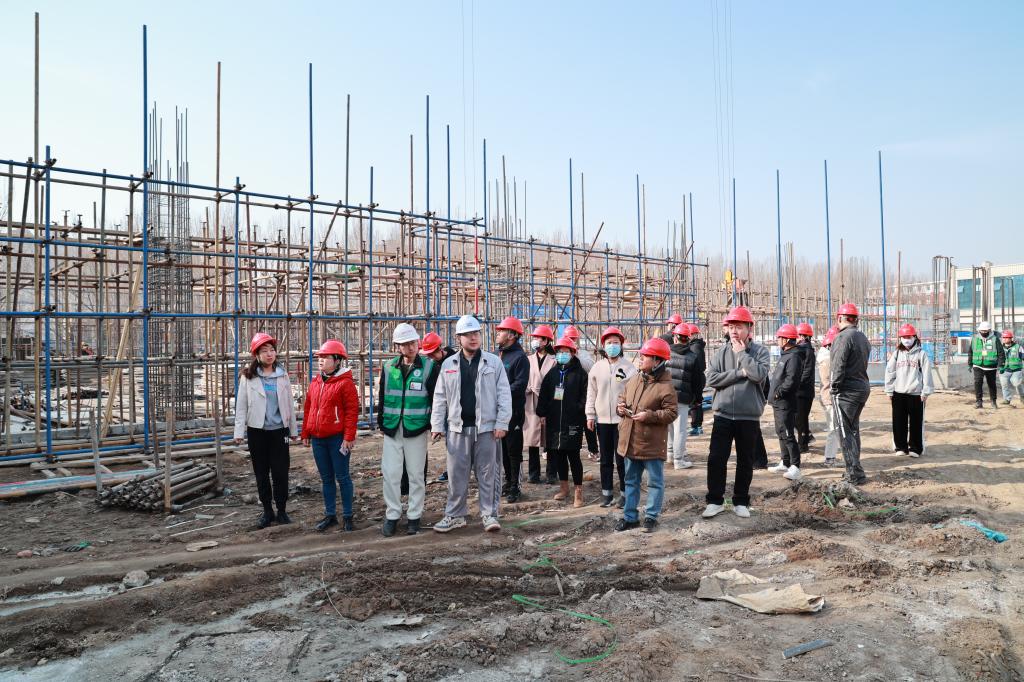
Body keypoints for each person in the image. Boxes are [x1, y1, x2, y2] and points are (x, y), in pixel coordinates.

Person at [431, 314, 512, 533]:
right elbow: (440, 397)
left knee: (488, 473)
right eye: (467, 334)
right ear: (459, 338)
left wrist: (502, 422)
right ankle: (455, 515)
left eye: (476, 333)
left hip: (486, 429)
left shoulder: (493, 362)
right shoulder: (449, 364)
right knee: (456, 475)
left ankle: (489, 514)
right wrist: (437, 425)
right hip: (457, 428)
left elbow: (504, 394)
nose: (473, 338)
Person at [702, 306, 770, 519]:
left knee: (745, 460)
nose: (733, 331)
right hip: (722, 415)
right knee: (716, 459)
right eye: (731, 326)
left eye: (738, 326)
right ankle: (715, 501)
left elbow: (758, 375)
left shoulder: (760, 352)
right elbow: (711, 379)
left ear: (749, 328)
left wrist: (742, 354)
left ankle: (741, 501)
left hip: (748, 416)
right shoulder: (720, 353)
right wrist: (739, 373)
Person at [376, 323, 441, 536]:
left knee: (415, 474)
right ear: (398, 346)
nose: (410, 347)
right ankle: (392, 514)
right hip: (392, 428)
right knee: (391, 474)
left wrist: (434, 425)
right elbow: (383, 396)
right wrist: (382, 422)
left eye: (413, 343)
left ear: (418, 342)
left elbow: (436, 399)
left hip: (417, 428)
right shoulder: (389, 367)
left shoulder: (429, 367)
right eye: (405, 344)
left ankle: (414, 516)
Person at [234, 332, 298, 529]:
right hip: (257, 431)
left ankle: (282, 510)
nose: (269, 354)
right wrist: (239, 432)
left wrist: (293, 430)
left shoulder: (282, 375)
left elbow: (289, 404)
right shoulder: (248, 377)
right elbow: (241, 405)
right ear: (257, 355)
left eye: (272, 350)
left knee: (280, 472)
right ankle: (267, 511)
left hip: (279, 431)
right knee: (261, 473)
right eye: (264, 351)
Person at [613, 337, 678, 533]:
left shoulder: (666, 386)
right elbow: (622, 398)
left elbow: (671, 413)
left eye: (645, 356)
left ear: (657, 361)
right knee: (630, 481)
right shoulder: (634, 380)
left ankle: (651, 517)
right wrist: (620, 408)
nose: (640, 359)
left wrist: (649, 416)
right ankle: (630, 517)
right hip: (631, 441)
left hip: (651, 443)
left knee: (655, 482)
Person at [302, 339, 360, 532]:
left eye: (326, 357)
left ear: (337, 360)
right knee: (326, 479)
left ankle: (348, 516)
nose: (321, 360)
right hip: (318, 439)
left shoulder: (345, 383)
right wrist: (306, 432)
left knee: (342, 477)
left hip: (337, 439)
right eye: (320, 357)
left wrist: (349, 437)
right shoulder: (316, 382)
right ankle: (330, 515)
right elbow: (309, 408)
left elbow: (352, 411)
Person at [586, 326, 637, 508]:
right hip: (602, 421)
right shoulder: (597, 368)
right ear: (604, 345)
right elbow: (591, 393)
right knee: (606, 459)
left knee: (622, 459)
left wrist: (628, 410)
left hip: (621, 421)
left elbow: (634, 393)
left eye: (616, 343)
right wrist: (590, 415)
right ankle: (606, 493)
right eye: (609, 343)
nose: (612, 346)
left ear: (621, 345)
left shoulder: (629, 368)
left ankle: (624, 494)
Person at [536, 336, 590, 507]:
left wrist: (577, 409)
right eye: (559, 352)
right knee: (559, 455)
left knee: (573, 456)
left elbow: (586, 396)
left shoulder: (580, 374)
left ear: (573, 353)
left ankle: (578, 490)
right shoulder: (552, 374)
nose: (562, 355)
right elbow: (544, 394)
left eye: (566, 352)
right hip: (554, 421)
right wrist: (542, 412)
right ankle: (564, 487)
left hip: (572, 421)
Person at [829, 303, 872, 485]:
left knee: (844, 431)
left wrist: (834, 387)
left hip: (846, 391)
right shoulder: (862, 337)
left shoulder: (843, 337)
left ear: (840, 318)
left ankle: (854, 473)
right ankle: (855, 469)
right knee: (853, 430)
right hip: (862, 387)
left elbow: (838, 365)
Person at [884, 324, 934, 458]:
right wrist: (889, 391)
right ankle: (900, 447)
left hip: (916, 394)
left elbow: (927, 374)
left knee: (916, 423)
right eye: (904, 337)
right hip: (898, 393)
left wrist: (926, 391)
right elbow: (890, 372)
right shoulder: (896, 354)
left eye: (909, 337)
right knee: (898, 422)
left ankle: (915, 448)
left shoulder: (921, 354)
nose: (906, 339)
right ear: (900, 338)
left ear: (914, 337)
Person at [495, 316, 530, 503]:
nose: (498, 334)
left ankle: (516, 486)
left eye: (501, 331)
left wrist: (500, 393)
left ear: (511, 335)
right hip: (498, 411)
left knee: (514, 450)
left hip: (514, 411)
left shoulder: (520, 358)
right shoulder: (499, 355)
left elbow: (520, 384)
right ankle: (508, 481)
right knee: (503, 449)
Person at [767, 324, 805, 481]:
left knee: (788, 433)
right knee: (781, 432)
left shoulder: (794, 357)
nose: (777, 340)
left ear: (787, 340)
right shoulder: (786, 355)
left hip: (785, 402)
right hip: (778, 402)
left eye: (779, 338)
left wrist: (779, 393)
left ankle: (795, 466)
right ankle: (785, 461)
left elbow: (791, 381)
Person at [418, 331, 456, 483]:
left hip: (456, 407)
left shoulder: (455, 360)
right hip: (443, 407)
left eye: (432, 354)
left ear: (440, 348)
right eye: (428, 355)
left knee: (459, 441)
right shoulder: (433, 366)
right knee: (450, 442)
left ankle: (460, 468)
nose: (431, 357)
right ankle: (452, 469)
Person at [523, 325, 557, 484]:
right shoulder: (528, 359)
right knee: (533, 440)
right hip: (531, 402)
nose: (535, 341)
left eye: (538, 338)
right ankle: (533, 473)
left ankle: (551, 473)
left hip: (549, 403)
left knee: (550, 440)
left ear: (546, 341)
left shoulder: (554, 361)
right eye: (535, 338)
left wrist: (555, 401)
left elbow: (557, 384)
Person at [666, 322, 701, 469]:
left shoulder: (666, 353)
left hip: (666, 397)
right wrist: (697, 399)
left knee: (669, 427)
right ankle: (679, 460)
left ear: (675, 337)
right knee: (680, 429)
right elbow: (697, 381)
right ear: (688, 339)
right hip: (683, 398)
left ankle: (670, 454)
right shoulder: (693, 357)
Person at [564, 324, 600, 461]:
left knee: (588, 423)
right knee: (567, 424)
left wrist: (576, 354)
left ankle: (593, 450)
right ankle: (569, 449)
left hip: (583, 392)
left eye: (573, 338)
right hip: (567, 392)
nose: (572, 340)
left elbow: (590, 366)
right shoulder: (560, 353)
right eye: (569, 338)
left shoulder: (583, 353)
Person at [816, 326, 841, 466]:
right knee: (833, 429)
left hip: (828, 397)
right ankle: (830, 458)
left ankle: (831, 457)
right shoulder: (828, 359)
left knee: (835, 428)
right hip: (830, 398)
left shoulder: (825, 356)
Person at [968, 321, 1005, 409]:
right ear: (979, 330)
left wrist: (1001, 365)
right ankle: (979, 402)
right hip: (978, 365)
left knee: (991, 384)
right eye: (982, 331)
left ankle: (993, 401)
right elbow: (970, 352)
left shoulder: (995, 339)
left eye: (985, 331)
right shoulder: (974, 339)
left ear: (989, 330)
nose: (984, 332)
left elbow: (1001, 353)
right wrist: (970, 364)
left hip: (991, 366)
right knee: (978, 383)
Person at [795, 322, 816, 453]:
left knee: (799, 419)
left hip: (803, 392)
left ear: (803, 336)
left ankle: (802, 445)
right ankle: (807, 437)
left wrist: (795, 384)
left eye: (797, 335)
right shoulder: (803, 350)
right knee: (801, 418)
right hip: (803, 391)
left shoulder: (806, 351)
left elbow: (806, 372)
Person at [687, 324, 707, 436]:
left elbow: (698, 366)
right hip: (698, 377)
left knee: (695, 402)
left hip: (697, 377)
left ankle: (696, 426)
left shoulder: (695, 347)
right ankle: (697, 426)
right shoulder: (696, 346)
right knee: (696, 402)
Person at [999, 330, 1024, 405]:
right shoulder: (1000, 348)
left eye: (1006, 338)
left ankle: (1022, 396)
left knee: (1017, 383)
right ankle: (1007, 399)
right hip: (1004, 369)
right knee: (1004, 384)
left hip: (1016, 369)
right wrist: (999, 366)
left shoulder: (1018, 347)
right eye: (1003, 338)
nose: (1004, 339)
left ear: (1011, 338)